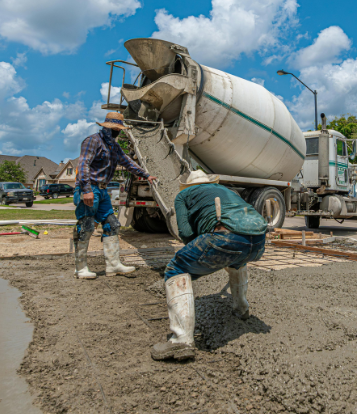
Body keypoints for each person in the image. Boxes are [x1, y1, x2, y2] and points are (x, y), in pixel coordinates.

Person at [151, 170, 268, 361]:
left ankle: (181, 340)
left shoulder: (183, 195)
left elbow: (185, 231)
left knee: (176, 268)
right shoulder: (226, 190)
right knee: (237, 263)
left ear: (189, 185)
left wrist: (203, 251)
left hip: (225, 237)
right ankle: (241, 310)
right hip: (258, 243)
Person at [73, 111, 157, 280]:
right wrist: (87, 189)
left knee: (112, 224)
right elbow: (83, 165)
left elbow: (127, 162)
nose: (118, 132)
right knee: (87, 225)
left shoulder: (114, 146)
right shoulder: (93, 141)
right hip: (90, 188)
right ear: (109, 128)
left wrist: (146, 174)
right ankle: (80, 268)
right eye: (116, 129)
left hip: (103, 191)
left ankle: (113, 265)